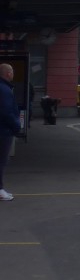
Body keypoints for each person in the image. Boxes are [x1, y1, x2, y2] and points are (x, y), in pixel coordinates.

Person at [1, 63, 21, 201]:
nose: (13, 74)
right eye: (12, 71)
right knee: (1, 160)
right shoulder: (5, 90)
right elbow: (7, 112)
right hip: (3, 131)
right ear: (8, 73)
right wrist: (16, 126)